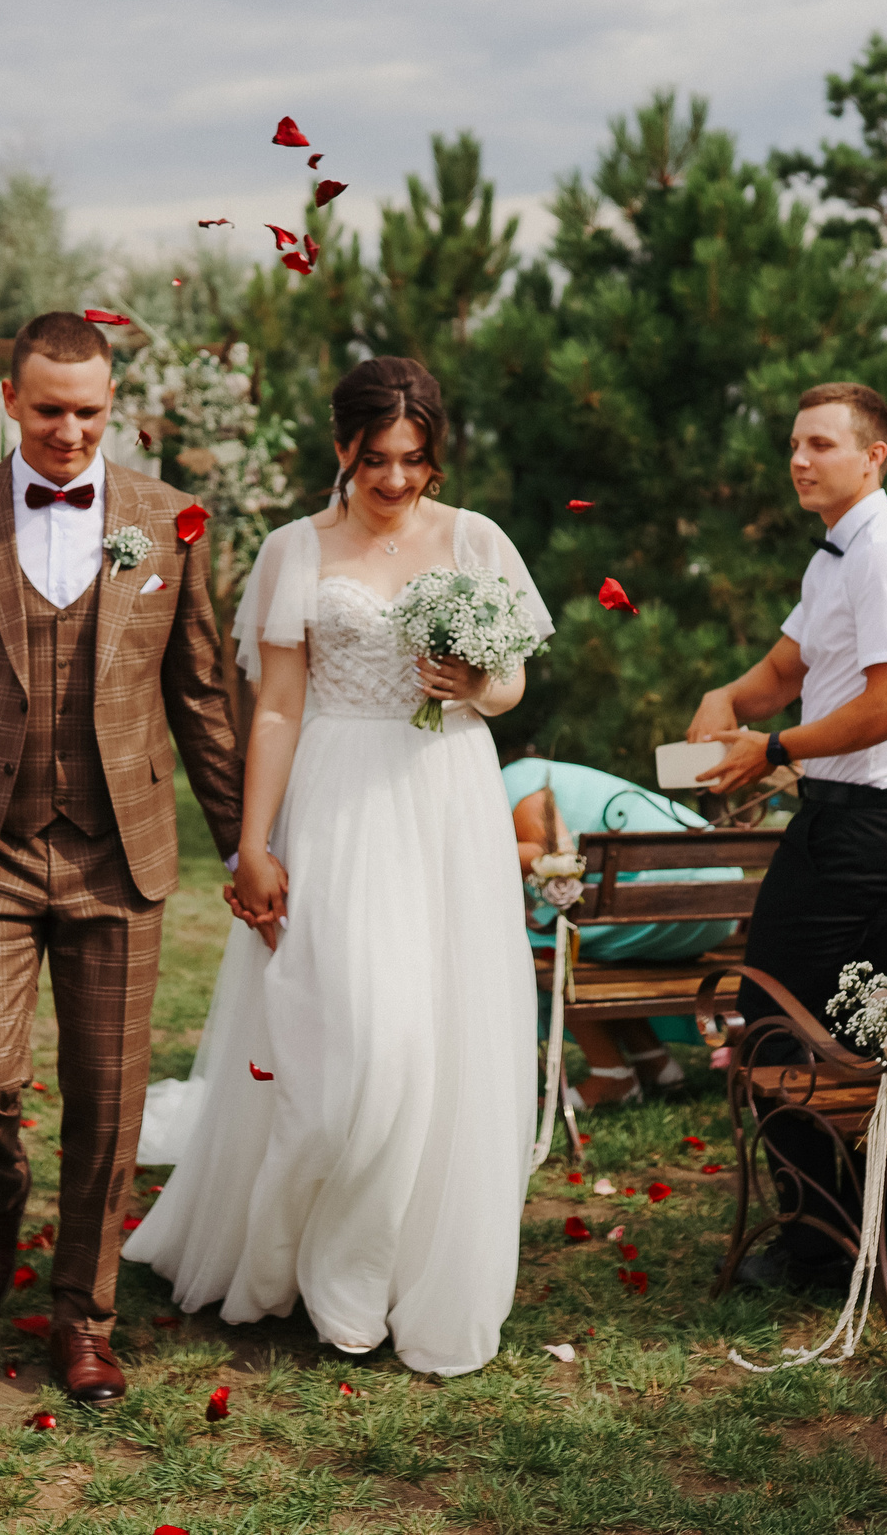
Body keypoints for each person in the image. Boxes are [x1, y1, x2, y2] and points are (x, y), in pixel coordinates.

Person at [0, 311, 246, 1407]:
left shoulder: (169, 521)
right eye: (50, 412)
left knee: (108, 1102)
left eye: (90, 413)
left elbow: (202, 696)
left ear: (111, 406)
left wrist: (246, 844)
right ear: (11, 401)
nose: (70, 433)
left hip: (122, 851)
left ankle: (84, 1317)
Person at [126, 356, 547, 1377]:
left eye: (413, 459)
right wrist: (253, 843)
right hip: (337, 803)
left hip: (445, 799)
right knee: (361, 1040)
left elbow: (512, 688)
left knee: (435, 1039)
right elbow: (275, 707)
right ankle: (309, 1257)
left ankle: (378, 1274)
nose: (395, 479)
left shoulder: (476, 540)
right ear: (341, 447)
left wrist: (474, 681)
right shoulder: (294, 550)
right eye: (375, 459)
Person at [684, 382, 887, 1295]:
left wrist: (771, 748)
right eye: (795, 444)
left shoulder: (886, 556)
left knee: (773, 1016)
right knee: (841, 1021)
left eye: (821, 445)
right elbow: (783, 669)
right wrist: (727, 698)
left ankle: (818, 1244)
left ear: (874, 456)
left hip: (867, 823)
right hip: (846, 816)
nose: (799, 460)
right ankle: (862, 1231)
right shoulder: (837, 554)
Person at [502, 755, 738, 1108]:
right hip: (722, 902)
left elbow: (551, 852)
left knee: (538, 944)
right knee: (582, 938)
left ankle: (611, 1076)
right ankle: (654, 1062)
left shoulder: (515, 779)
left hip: (673, 901)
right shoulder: (538, 773)